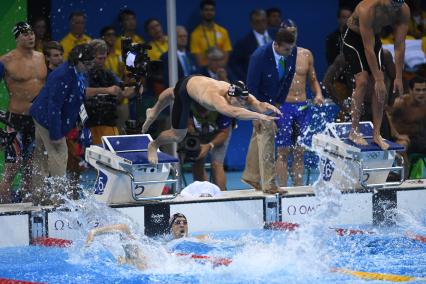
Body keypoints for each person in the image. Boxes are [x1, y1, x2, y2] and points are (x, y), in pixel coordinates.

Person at [141, 76, 282, 165]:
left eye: (244, 101)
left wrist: (267, 107)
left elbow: (258, 105)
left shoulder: (241, 94)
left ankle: (153, 111)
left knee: (172, 92)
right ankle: (154, 145)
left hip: (196, 81)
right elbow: (235, 112)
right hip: (186, 91)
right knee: (178, 135)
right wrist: (259, 116)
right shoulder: (217, 98)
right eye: (239, 101)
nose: (242, 104)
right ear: (230, 97)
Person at [29, 44, 96, 205]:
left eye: (91, 64)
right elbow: (54, 106)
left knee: (42, 157)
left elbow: (76, 96)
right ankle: (57, 201)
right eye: (87, 64)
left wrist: (79, 121)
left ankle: (38, 197)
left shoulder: (77, 72)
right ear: (77, 61)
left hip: (42, 114)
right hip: (46, 118)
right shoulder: (63, 76)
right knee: (59, 155)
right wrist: (56, 134)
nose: (89, 68)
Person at [342, 0, 410, 150]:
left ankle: (377, 134)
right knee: (363, 81)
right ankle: (354, 130)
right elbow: (368, 49)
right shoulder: (368, 8)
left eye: (398, 4)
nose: (394, 8)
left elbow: (399, 45)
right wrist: (378, 78)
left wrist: (398, 76)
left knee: (382, 87)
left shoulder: (403, 11)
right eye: (392, 3)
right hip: (353, 38)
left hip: (373, 38)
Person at [241, 27, 297, 194]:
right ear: (277, 45)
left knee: (258, 135)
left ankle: (251, 175)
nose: (290, 52)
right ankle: (270, 184)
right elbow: (250, 88)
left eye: (292, 48)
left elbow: (288, 78)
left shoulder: (291, 52)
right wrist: (255, 114)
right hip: (258, 100)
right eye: (287, 49)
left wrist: (279, 103)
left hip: (274, 101)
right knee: (267, 136)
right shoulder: (259, 57)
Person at [0, 22, 47, 204]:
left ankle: (28, 206)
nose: (30, 37)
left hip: (37, 121)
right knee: (12, 169)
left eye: (32, 33)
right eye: (25, 34)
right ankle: (3, 210)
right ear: (17, 37)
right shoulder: (6, 61)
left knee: (31, 170)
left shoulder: (41, 57)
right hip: (16, 121)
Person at [275, 23, 324, 187]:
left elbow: (312, 79)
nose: (291, 35)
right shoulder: (276, 55)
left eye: (294, 32)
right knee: (282, 151)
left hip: (302, 108)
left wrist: (318, 94)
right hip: (284, 107)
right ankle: (281, 190)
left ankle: (298, 190)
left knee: (299, 152)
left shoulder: (306, 54)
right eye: (288, 32)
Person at [387, 76, 426, 176]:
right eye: (418, 90)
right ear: (410, 90)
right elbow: (388, 118)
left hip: (420, 138)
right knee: (402, 145)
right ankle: (404, 178)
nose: (421, 93)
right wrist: (396, 134)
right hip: (401, 137)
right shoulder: (400, 103)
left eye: (424, 90)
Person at [230, 9, 274, 81]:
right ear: (252, 23)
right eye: (257, 21)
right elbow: (234, 63)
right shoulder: (244, 43)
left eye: (263, 20)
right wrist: (246, 79)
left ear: (267, 20)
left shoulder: (277, 35)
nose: (261, 24)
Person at [190, 0, 232, 67]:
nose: (209, 12)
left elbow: (225, 59)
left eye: (212, 10)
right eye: (206, 10)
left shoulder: (223, 32)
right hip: (204, 72)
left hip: (220, 70)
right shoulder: (195, 34)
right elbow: (200, 62)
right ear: (201, 12)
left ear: (215, 12)